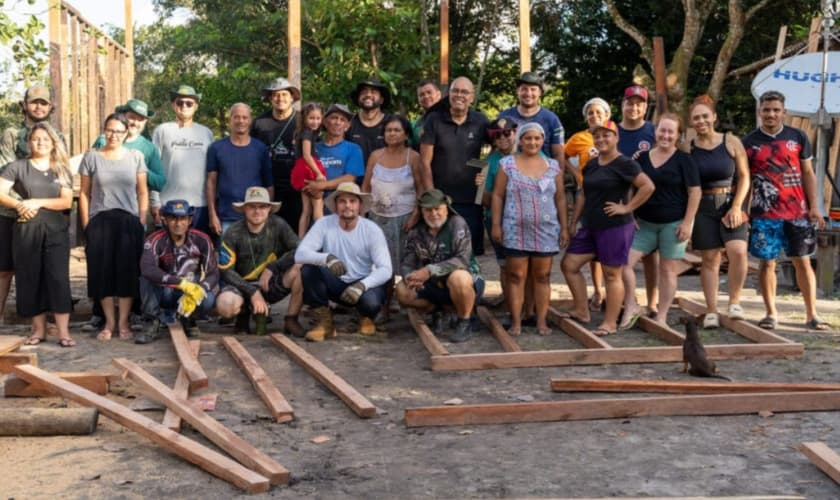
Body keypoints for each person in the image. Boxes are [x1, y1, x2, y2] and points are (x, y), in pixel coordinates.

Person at [743, 90, 829, 331]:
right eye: (766, 110)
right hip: (764, 215)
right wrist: (743, 210)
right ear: (760, 112)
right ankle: (771, 313)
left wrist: (815, 207)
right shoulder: (748, 142)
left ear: (784, 112)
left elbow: (808, 173)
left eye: (776, 110)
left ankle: (812, 315)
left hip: (797, 213)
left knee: (802, 261)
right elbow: (745, 180)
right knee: (768, 264)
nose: (771, 114)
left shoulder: (798, 137)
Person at [561, 120, 654, 336]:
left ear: (616, 137)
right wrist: (574, 222)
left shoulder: (625, 164)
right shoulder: (592, 163)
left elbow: (648, 186)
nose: (601, 139)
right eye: (597, 136)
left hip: (614, 227)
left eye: (606, 135)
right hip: (590, 225)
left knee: (612, 274)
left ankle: (610, 322)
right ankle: (582, 310)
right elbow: (583, 193)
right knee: (569, 264)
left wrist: (627, 208)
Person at [618, 113, 701, 328]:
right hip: (644, 223)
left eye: (670, 132)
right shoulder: (642, 158)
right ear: (655, 132)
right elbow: (629, 186)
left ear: (677, 135)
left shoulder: (685, 160)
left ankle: (662, 315)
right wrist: (630, 213)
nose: (665, 135)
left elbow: (695, 193)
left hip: (673, 224)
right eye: (662, 130)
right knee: (624, 263)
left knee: (667, 269)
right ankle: (631, 304)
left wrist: (687, 223)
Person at [0, 124, 74, 346]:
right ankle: (38, 330)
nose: (41, 142)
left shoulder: (61, 169)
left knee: (58, 278)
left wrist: (37, 202)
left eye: (45, 139)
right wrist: (20, 205)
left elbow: (66, 201)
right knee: (30, 278)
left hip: (55, 231)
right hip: (26, 230)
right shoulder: (16, 167)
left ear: (53, 143)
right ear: (29, 142)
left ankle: (63, 332)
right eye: (36, 138)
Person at [491, 123, 569, 336]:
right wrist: (496, 225)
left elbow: (560, 199)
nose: (532, 142)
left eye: (537, 138)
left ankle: (541, 321)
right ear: (520, 140)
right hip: (515, 229)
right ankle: (516, 321)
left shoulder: (553, 166)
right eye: (527, 138)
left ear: (542, 140)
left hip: (546, 231)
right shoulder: (507, 164)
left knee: (542, 276)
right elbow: (497, 195)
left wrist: (564, 228)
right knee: (515, 275)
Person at [79, 113, 149, 341]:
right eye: (110, 130)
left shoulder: (135, 156)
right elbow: (84, 193)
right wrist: (87, 225)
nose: (114, 135)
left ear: (126, 133)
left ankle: (124, 322)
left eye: (119, 131)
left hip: (129, 222)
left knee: (127, 274)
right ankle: (109, 323)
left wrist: (141, 219)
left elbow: (142, 191)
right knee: (103, 274)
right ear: (104, 130)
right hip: (100, 221)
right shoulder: (92, 157)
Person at [0, 85, 64, 326]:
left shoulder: (58, 136)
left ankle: (44, 314)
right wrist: (22, 204)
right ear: (24, 105)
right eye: (34, 102)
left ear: (50, 108)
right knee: (5, 268)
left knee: (46, 266)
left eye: (44, 103)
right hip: (9, 209)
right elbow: (6, 169)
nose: (39, 106)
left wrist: (40, 203)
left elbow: (61, 169)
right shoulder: (12, 134)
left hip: (46, 213)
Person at [295, 182, 391, 341]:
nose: (347, 206)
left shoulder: (371, 229)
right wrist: (327, 258)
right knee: (308, 270)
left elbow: (386, 269)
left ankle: (366, 317)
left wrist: (362, 285)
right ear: (335, 205)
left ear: (360, 205)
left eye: (352, 201)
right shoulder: (324, 224)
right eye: (342, 201)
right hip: (337, 283)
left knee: (372, 301)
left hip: (363, 284)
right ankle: (324, 322)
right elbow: (300, 254)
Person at [688, 95, 750, 329]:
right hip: (703, 204)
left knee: (738, 251)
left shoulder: (731, 141)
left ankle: (735, 302)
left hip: (730, 201)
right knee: (710, 259)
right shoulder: (689, 146)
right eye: (696, 118)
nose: (701, 121)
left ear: (714, 117)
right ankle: (711, 309)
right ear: (692, 122)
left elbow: (745, 176)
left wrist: (737, 206)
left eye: (705, 116)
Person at [396, 188, 484, 342]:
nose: (433, 214)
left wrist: (430, 270)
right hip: (433, 284)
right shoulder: (416, 231)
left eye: (438, 209)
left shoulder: (457, 223)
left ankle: (465, 320)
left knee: (458, 278)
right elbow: (407, 262)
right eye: (428, 210)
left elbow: (462, 259)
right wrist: (410, 277)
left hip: (465, 282)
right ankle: (439, 311)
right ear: (422, 212)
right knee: (402, 290)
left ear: (446, 209)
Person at [216, 187, 305, 337]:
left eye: (262, 207)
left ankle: (291, 319)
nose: (257, 211)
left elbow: (301, 250)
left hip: (269, 282)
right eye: (252, 207)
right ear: (244, 209)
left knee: (301, 267)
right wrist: (252, 292)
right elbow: (225, 271)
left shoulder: (278, 225)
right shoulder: (232, 232)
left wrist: (273, 267)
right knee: (225, 305)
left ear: (269, 208)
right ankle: (242, 315)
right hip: (241, 286)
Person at [361, 114, 423, 321]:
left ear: (406, 134)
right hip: (378, 219)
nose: (392, 134)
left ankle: (414, 305)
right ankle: (384, 307)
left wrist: (415, 215)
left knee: (409, 264)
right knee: (381, 265)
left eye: (397, 130)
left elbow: (421, 189)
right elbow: (366, 187)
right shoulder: (375, 156)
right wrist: (362, 214)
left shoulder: (412, 157)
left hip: (406, 220)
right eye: (388, 130)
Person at [420, 76, 490, 256]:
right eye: (455, 91)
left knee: (471, 255)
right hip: (441, 200)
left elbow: (501, 146)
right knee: (439, 253)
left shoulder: (481, 120)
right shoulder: (434, 120)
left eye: (465, 92)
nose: (460, 95)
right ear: (449, 94)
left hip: (471, 200)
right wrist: (432, 197)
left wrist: (484, 168)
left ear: (472, 97)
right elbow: (424, 161)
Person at [137, 199, 219, 343]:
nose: (178, 223)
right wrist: (180, 283)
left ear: (189, 220)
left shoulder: (202, 239)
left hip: (190, 291)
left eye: (182, 218)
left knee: (208, 299)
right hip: (164, 292)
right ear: (165, 219)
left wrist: (200, 288)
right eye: (173, 218)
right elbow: (147, 268)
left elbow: (213, 272)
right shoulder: (154, 240)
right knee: (146, 278)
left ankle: (188, 319)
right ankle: (151, 322)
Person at [564, 97, 611, 312]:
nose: (594, 116)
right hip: (587, 196)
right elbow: (563, 155)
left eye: (599, 112)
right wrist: (575, 174)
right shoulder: (579, 138)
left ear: (607, 115)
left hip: (611, 198)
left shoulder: (613, 134)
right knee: (593, 247)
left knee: (610, 247)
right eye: (591, 113)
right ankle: (598, 291)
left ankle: (613, 296)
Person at [618, 84, 660, 318]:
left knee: (650, 254)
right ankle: (626, 298)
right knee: (618, 253)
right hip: (618, 197)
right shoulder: (613, 130)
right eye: (629, 102)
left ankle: (652, 301)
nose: (634, 107)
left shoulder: (653, 132)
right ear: (622, 105)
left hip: (647, 197)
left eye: (639, 103)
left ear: (645, 107)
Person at [151, 84, 214, 232]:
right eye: (180, 102)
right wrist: (155, 202)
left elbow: (212, 172)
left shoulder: (207, 133)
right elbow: (153, 167)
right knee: (169, 253)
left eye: (189, 103)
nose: (184, 106)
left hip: (200, 205)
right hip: (169, 203)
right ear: (173, 105)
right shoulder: (162, 131)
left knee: (197, 250)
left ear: (196, 106)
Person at [206, 103, 273, 237]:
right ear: (230, 120)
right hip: (226, 217)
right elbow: (211, 182)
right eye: (236, 117)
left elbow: (269, 185)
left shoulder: (260, 149)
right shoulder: (216, 148)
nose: (241, 121)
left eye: (244, 117)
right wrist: (212, 215)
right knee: (227, 257)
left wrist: (267, 216)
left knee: (257, 257)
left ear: (250, 120)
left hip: (256, 217)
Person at [251, 77, 302, 232]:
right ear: (270, 98)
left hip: (296, 187)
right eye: (276, 95)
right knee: (268, 230)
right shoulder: (259, 123)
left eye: (284, 94)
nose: (280, 99)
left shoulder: (302, 120)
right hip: (268, 186)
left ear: (292, 97)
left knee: (294, 230)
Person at [92, 99, 166, 195]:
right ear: (123, 116)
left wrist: (140, 169)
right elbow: (88, 172)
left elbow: (160, 183)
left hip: (133, 206)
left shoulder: (149, 148)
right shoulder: (103, 140)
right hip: (102, 203)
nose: (135, 123)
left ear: (145, 122)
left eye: (140, 119)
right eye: (132, 117)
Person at [481, 118, 517, 305]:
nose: (502, 138)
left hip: (523, 219)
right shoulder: (490, 162)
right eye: (497, 135)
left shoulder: (529, 152)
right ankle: (509, 300)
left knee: (522, 264)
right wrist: (481, 189)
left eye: (507, 133)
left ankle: (526, 302)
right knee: (504, 264)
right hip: (498, 218)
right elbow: (484, 199)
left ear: (515, 133)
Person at [498, 72, 565, 163]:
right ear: (518, 91)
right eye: (524, 89)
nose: (528, 93)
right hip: (510, 172)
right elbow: (496, 148)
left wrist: (559, 175)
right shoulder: (504, 117)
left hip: (543, 172)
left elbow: (558, 154)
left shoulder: (552, 119)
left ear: (540, 92)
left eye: (533, 89)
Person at [304, 104, 365, 201]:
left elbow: (350, 178)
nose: (338, 122)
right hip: (314, 204)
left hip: (341, 208)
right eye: (334, 118)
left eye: (342, 120)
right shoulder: (313, 147)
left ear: (347, 126)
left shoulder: (353, 149)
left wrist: (321, 186)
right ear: (325, 122)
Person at [290, 102, 326, 238]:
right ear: (304, 118)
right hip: (308, 169)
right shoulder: (307, 133)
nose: (315, 121)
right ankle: (322, 238)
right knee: (318, 205)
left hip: (301, 169)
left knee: (306, 210)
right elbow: (306, 155)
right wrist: (318, 173)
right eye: (311, 118)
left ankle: (301, 240)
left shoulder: (301, 132)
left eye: (318, 118)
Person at [346, 79, 391, 163]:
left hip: (384, 175)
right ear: (359, 98)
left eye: (373, 92)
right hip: (354, 175)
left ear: (381, 100)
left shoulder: (391, 123)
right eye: (364, 92)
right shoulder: (348, 122)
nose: (368, 95)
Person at [411, 79, 443, 149]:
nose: (426, 96)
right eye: (421, 95)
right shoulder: (414, 126)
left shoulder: (453, 118)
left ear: (439, 95)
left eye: (429, 92)